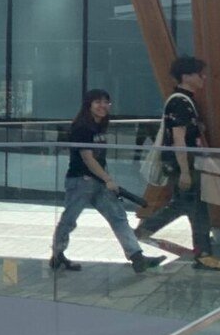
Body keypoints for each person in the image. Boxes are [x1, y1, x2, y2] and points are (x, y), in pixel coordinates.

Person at [50, 89, 166, 273]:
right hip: (81, 181)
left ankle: (137, 257)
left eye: (106, 102)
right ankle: (58, 255)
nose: (103, 106)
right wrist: (108, 179)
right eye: (98, 102)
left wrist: (106, 179)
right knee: (69, 220)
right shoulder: (82, 127)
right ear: (89, 104)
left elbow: (98, 158)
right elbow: (87, 158)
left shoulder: (99, 125)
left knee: (118, 217)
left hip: (99, 182)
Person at [136, 55, 220, 271]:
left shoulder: (185, 100)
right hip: (183, 163)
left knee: (184, 204)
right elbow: (179, 139)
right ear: (186, 76)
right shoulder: (180, 102)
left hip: (186, 163)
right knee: (197, 207)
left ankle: (142, 232)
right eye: (200, 74)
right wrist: (185, 171)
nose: (203, 78)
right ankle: (203, 254)